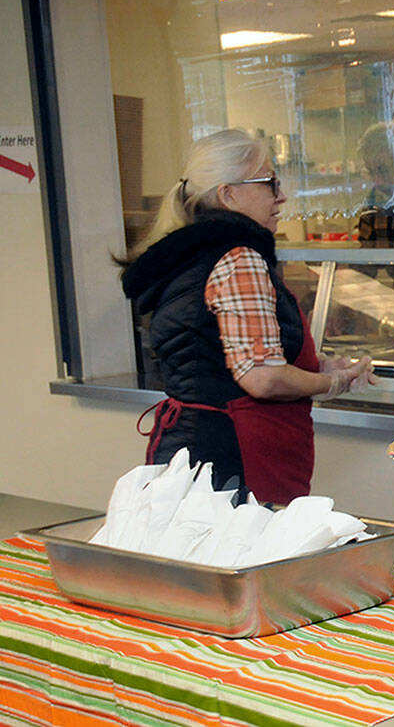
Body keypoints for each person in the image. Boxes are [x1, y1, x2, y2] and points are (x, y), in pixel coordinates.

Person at [121, 128, 376, 505]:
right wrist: (333, 383)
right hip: (231, 455)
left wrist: (314, 366)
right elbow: (263, 377)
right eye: (270, 182)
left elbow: (223, 354)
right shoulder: (238, 258)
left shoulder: (192, 251)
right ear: (228, 194)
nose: (282, 196)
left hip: (191, 447)